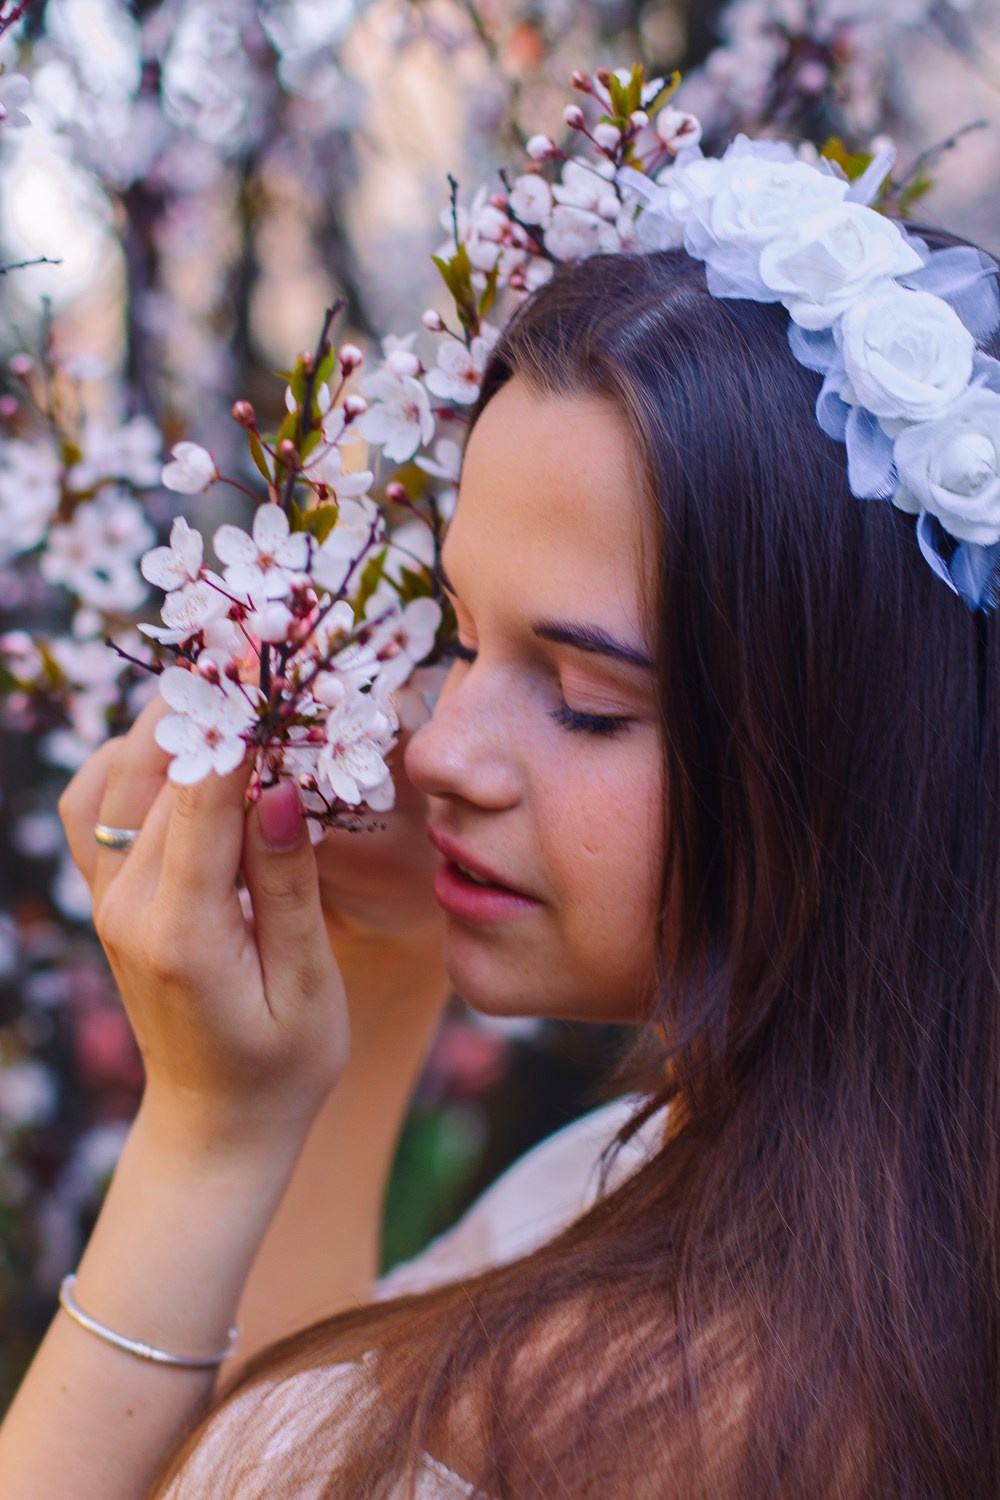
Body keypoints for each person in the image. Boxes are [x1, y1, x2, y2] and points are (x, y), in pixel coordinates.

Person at [2, 213, 1000, 1499]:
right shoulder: (724, 1203)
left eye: (586, 701)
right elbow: (313, 1416)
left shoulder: (668, 1405)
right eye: (464, 639)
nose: (438, 751)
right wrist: (376, 967)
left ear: (872, 755)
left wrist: (205, 1137)